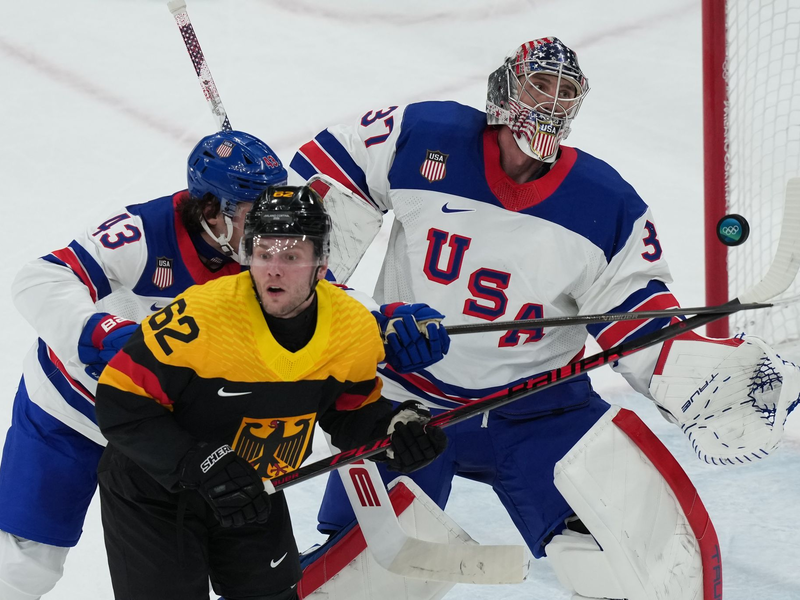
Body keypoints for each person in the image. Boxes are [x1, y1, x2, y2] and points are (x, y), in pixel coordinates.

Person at [290, 37, 800, 600]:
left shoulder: (605, 202)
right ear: (504, 88)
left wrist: (707, 380)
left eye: (565, 92)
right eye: (539, 85)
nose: (551, 103)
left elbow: (636, 319)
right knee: (358, 582)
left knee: (649, 571)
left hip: (539, 409)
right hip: (403, 404)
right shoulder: (422, 135)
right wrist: (356, 320)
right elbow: (318, 194)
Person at [93, 185, 448, 600]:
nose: (273, 270)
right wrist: (198, 462)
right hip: (155, 490)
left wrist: (394, 431)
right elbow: (120, 402)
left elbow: (350, 412)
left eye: (291, 256)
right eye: (263, 254)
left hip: (253, 487)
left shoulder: (352, 328)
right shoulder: (201, 316)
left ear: (322, 264)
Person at [0, 129, 288, 600]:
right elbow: (40, 278)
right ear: (211, 210)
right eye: (255, 216)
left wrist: (386, 324)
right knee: (23, 563)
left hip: (160, 432)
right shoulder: (141, 234)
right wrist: (105, 333)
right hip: (72, 410)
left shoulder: (269, 254)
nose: (272, 231)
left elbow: (327, 306)